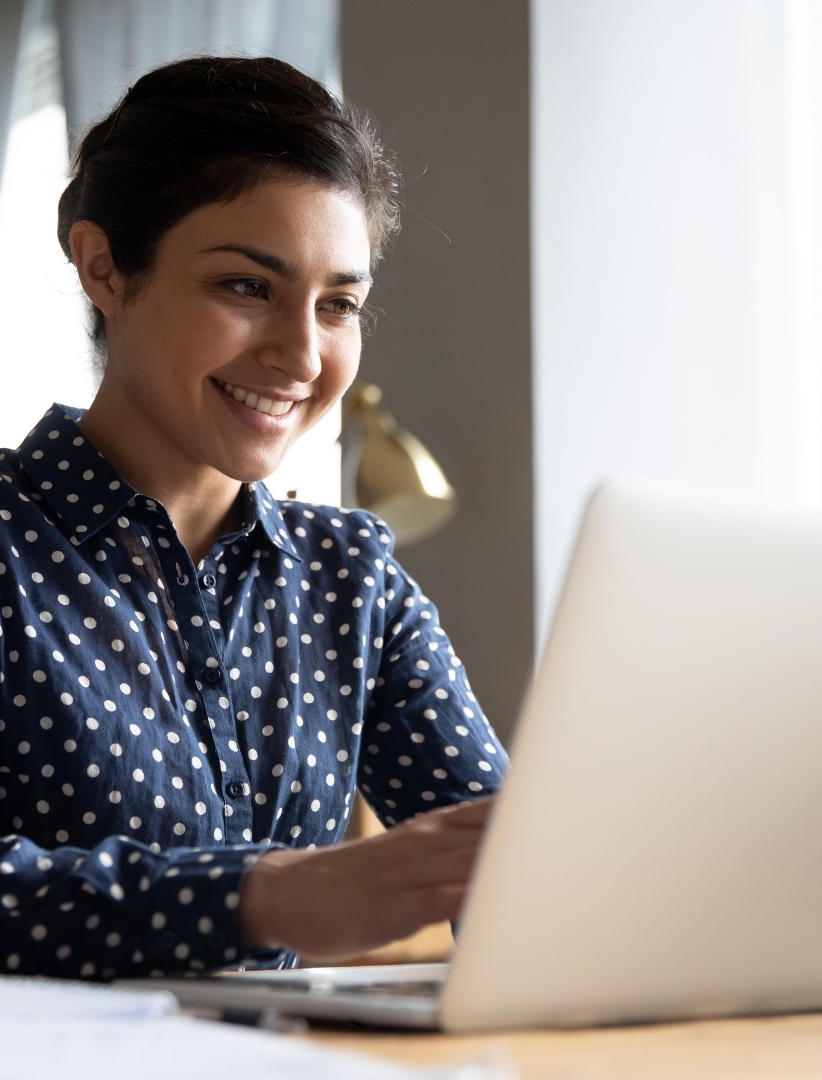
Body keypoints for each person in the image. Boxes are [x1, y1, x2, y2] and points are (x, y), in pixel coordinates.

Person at [0, 56, 507, 980]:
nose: (302, 355)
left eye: (339, 304)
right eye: (246, 287)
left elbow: (505, 868)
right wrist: (262, 895)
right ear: (103, 265)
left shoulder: (350, 576)